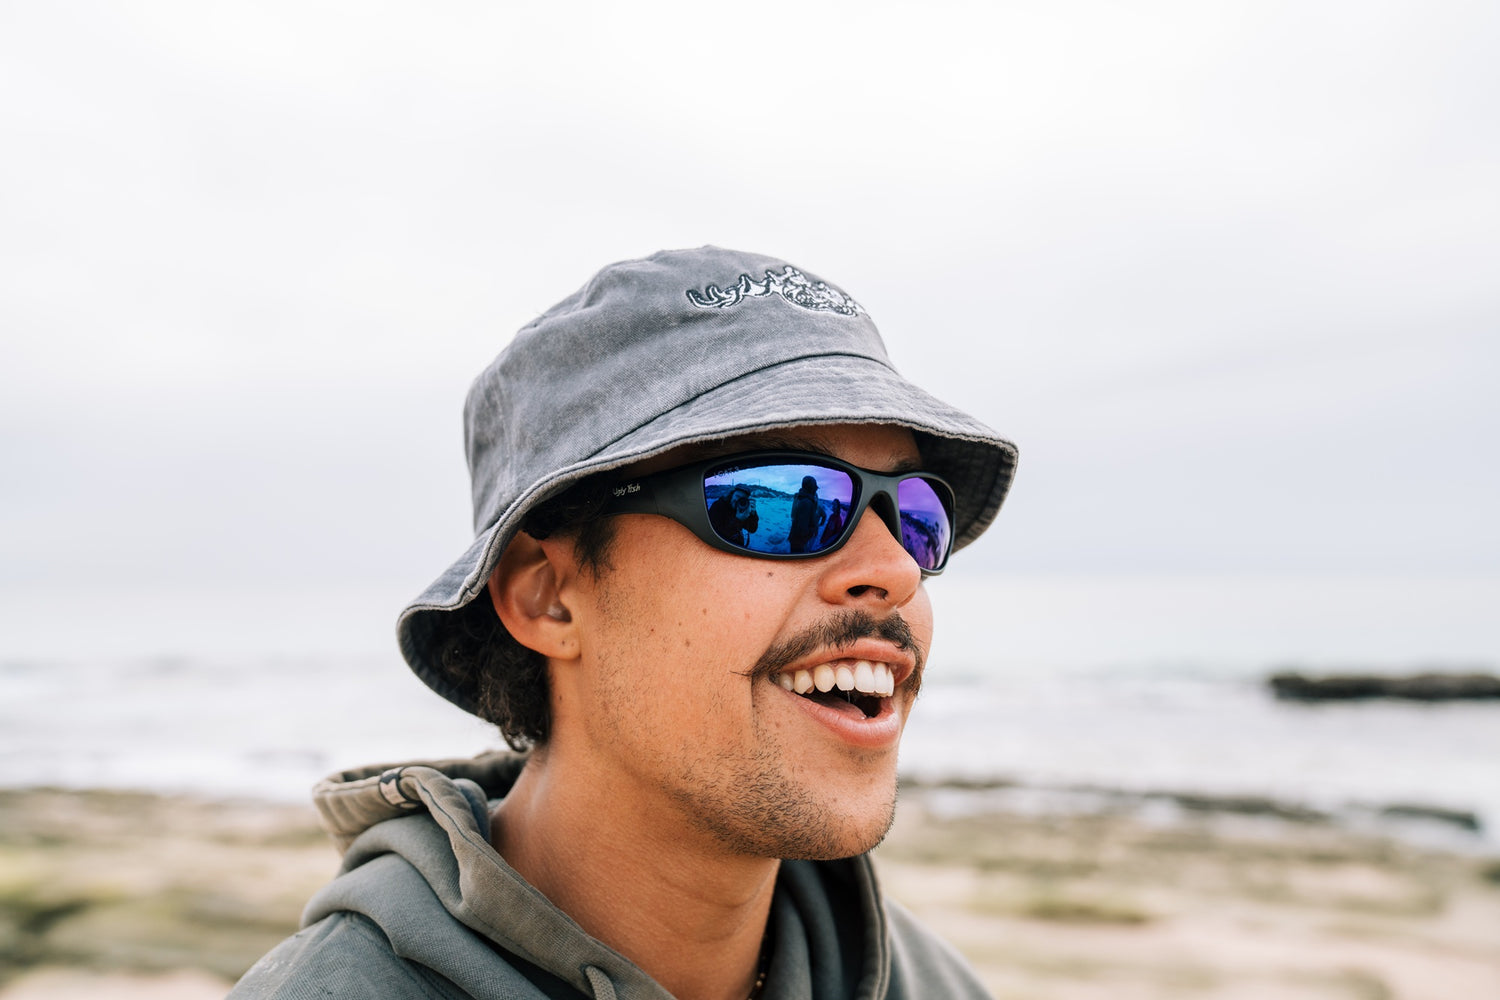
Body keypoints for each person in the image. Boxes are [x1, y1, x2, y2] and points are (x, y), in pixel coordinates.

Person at [231, 247, 1019, 1000]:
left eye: (916, 516)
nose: (896, 569)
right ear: (548, 597)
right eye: (783, 502)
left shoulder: (934, 986)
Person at [787, 475, 826, 553]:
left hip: (796, 539)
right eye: (815, 488)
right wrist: (813, 530)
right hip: (799, 542)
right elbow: (802, 530)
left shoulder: (802, 499)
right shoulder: (807, 503)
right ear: (811, 487)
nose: (816, 490)